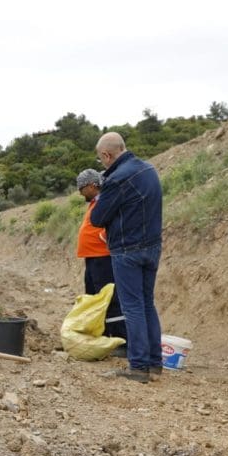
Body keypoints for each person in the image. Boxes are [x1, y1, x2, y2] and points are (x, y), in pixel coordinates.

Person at [90, 132, 163, 383]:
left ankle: (139, 366)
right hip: (152, 247)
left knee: (131, 307)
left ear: (108, 155)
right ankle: (154, 363)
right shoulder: (149, 169)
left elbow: (97, 218)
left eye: (102, 159)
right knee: (146, 303)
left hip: (127, 249)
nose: (103, 164)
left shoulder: (117, 178)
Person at [75, 168, 127, 353]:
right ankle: (102, 336)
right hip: (93, 258)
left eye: (81, 189)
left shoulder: (105, 201)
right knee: (94, 297)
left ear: (91, 186)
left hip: (103, 258)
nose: (80, 193)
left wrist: (105, 238)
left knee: (110, 298)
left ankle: (121, 342)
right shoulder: (95, 203)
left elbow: (113, 222)